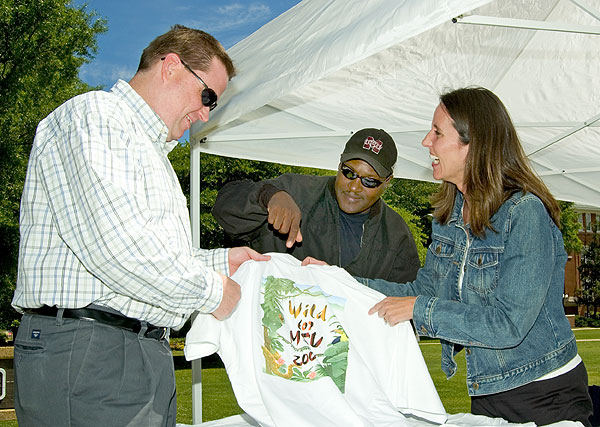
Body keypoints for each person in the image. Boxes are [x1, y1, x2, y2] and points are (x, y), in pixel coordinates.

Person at [12, 25, 269, 427]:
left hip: (135, 352)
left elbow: (154, 255)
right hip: (89, 351)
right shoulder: (95, 116)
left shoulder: (152, 154)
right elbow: (118, 249)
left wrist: (223, 261)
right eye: (207, 97)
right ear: (170, 66)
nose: (205, 114)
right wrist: (213, 290)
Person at [363, 87, 593, 425]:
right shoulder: (450, 216)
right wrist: (334, 279)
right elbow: (422, 291)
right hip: (486, 393)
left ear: (474, 144)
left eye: (437, 133)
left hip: (546, 396)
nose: (427, 141)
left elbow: (508, 324)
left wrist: (417, 308)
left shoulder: (525, 213)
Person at [212, 128, 421, 283]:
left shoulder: (397, 235)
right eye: (349, 172)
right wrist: (269, 196)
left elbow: (404, 306)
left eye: (369, 181)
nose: (355, 187)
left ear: (387, 182)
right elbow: (224, 206)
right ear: (339, 165)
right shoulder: (296, 191)